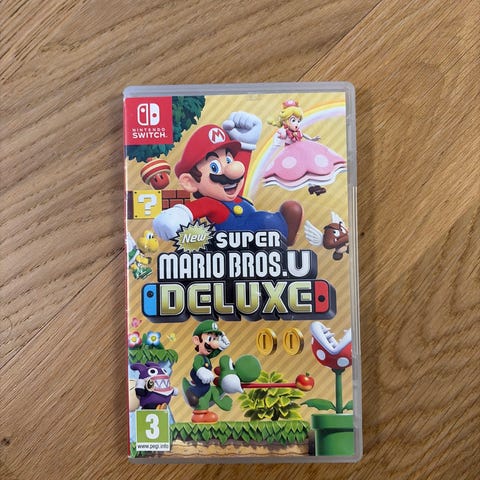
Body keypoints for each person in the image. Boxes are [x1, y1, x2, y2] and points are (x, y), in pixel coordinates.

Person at [152, 113, 303, 246]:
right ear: (190, 182)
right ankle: (284, 234)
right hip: (237, 249)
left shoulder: (234, 195)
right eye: (214, 167)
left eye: (229, 160)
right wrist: (178, 215)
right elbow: (196, 208)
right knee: (269, 218)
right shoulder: (212, 203)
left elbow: (239, 169)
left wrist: (246, 143)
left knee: (291, 208)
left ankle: (287, 237)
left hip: (263, 246)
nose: (232, 170)